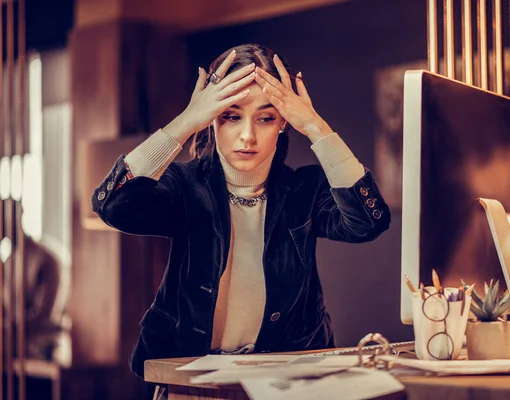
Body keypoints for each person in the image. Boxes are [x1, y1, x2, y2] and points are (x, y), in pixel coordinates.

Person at [91, 43, 391, 388]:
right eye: (230, 116)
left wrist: (315, 127)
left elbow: (369, 222)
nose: (247, 135)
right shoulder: (183, 186)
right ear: (212, 120)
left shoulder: (305, 191)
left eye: (265, 118)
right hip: (192, 377)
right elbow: (112, 206)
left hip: (288, 377)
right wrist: (186, 121)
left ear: (283, 123)